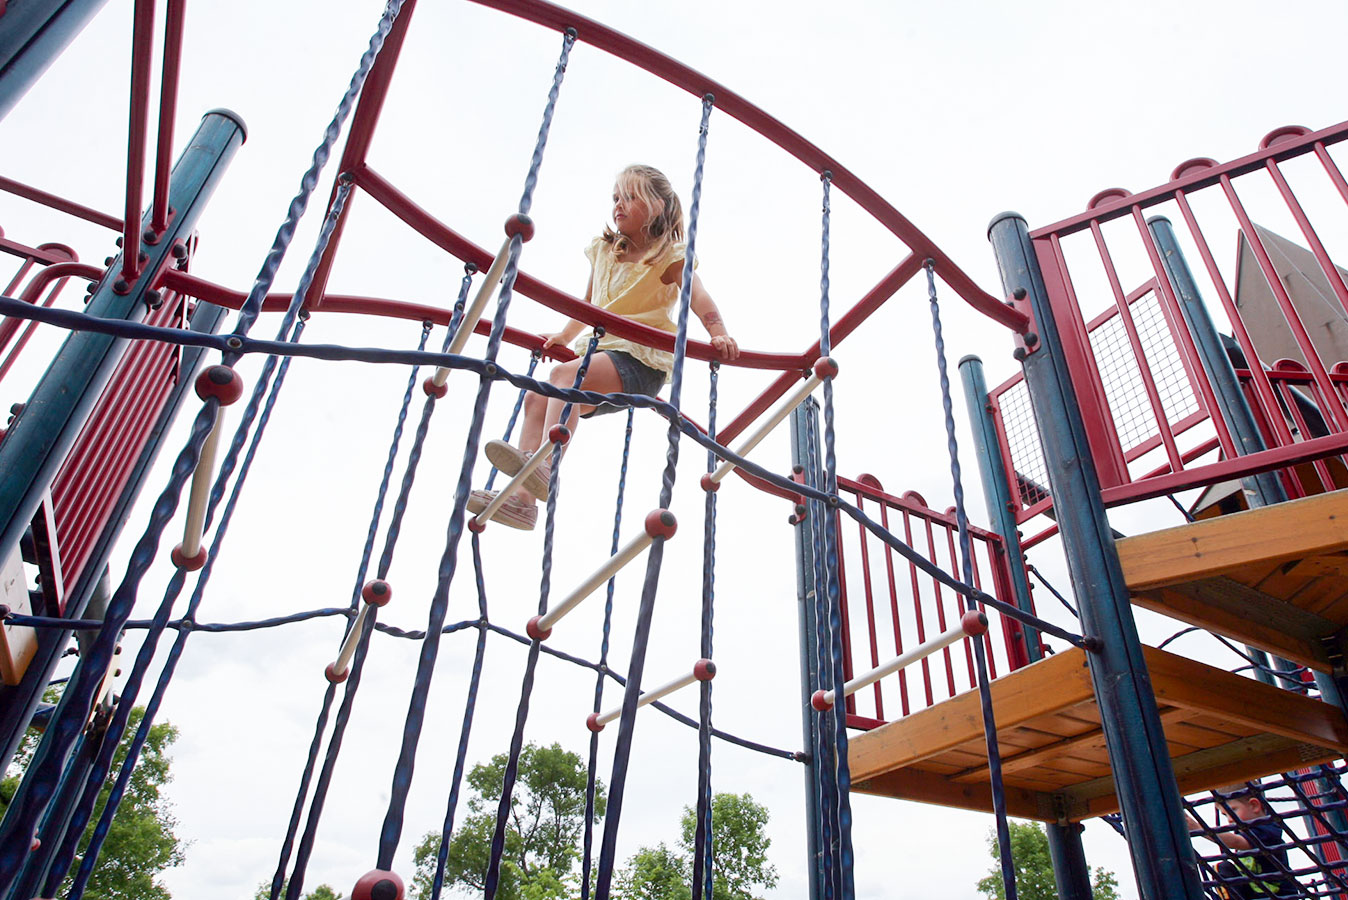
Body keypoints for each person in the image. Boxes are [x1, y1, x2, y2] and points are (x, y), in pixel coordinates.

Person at [468, 164, 739, 530]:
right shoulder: (605, 250)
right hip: (602, 354)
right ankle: (522, 502)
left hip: (641, 363)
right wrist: (565, 336)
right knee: (537, 397)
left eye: (630, 197)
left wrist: (717, 332)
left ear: (657, 206)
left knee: (562, 376)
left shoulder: (668, 254)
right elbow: (589, 303)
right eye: (615, 198)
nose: (618, 205)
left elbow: (699, 295)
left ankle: (545, 466)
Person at [1186, 783, 1298, 898]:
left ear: (1254, 805)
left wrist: (1199, 828)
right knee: (1223, 869)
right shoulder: (1242, 832)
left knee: (1224, 868)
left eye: (1233, 811)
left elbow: (1235, 842)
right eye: (1225, 815)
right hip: (1254, 891)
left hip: (1278, 895)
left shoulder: (1267, 830)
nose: (1229, 820)